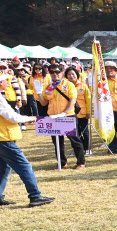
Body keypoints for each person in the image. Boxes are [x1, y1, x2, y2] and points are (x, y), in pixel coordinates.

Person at [0, 73, 54, 207]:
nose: (8, 83)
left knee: (4, 168)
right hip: (4, 138)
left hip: (4, 137)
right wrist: (30, 118)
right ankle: (35, 196)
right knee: (24, 166)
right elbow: (12, 117)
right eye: (6, 81)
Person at [39, 64, 85, 169]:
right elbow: (43, 103)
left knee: (74, 140)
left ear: (61, 72)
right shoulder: (48, 86)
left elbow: (72, 100)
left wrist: (65, 112)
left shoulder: (69, 85)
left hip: (67, 116)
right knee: (57, 141)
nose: (55, 74)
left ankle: (81, 162)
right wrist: (38, 93)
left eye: (57, 72)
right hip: (53, 116)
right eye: (52, 72)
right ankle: (62, 162)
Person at [66, 67, 91, 158]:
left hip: (83, 113)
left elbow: (88, 100)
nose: (71, 76)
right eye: (69, 74)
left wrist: (89, 112)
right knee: (76, 133)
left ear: (77, 75)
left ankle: (87, 148)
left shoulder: (83, 86)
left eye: (73, 74)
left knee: (85, 132)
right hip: (71, 114)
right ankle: (79, 149)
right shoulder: (65, 87)